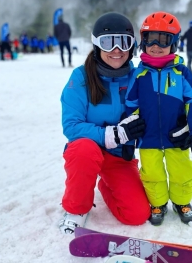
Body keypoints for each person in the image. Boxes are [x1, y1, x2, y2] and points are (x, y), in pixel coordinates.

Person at [58, 12, 150, 234]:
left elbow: (154, 112)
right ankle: (77, 208)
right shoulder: (81, 78)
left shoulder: (139, 77)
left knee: (137, 215)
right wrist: (110, 135)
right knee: (83, 148)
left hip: (119, 156)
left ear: (132, 46)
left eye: (123, 42)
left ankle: (105, 184)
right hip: (87, 152)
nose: (116, 50)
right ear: (97, 45)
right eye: (108, 42)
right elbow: (71, 125)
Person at [126, 11, 192, 226]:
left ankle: (181, 202)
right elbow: (131, 106)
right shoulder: (139, 74)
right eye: (149, 38)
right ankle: (158, 203)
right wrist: (129, 133)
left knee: (181, 170)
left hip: (177, 135)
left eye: (163, 39)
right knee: (151, 172)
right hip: (148, 136)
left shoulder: (181, 72)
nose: (155, 44)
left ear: (174, 42)